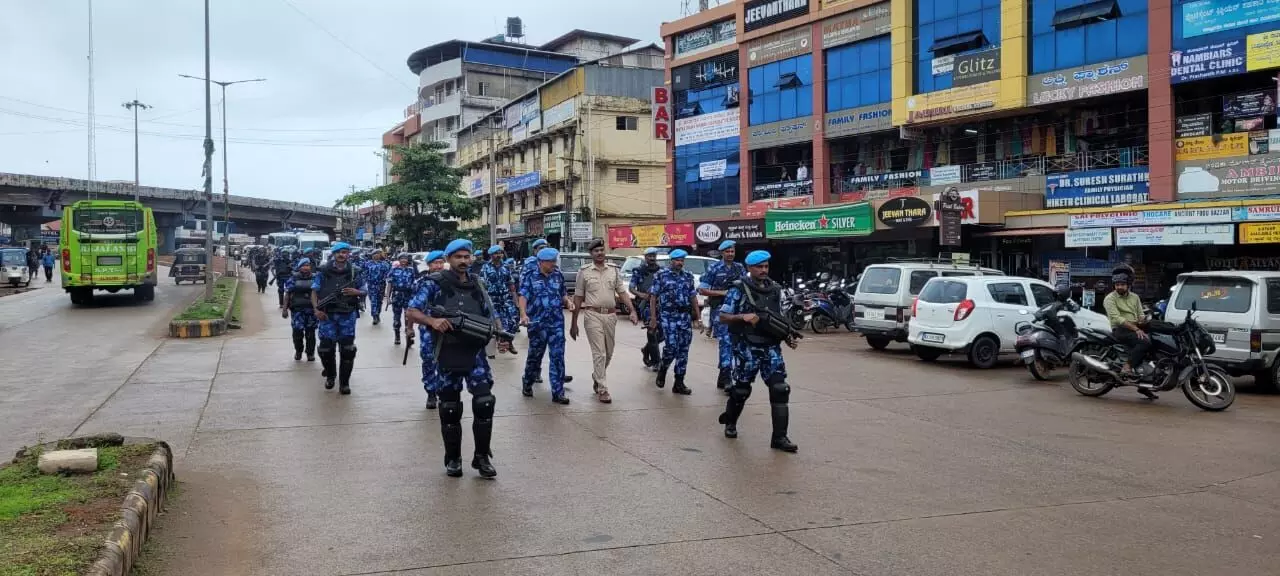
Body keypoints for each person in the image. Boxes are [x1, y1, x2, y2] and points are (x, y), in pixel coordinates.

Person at [406, 239, 500, 478]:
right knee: (449, 408)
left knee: (484, 403)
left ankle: (481, 458)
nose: (463, 261)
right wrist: (432, 321)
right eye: (458, 257)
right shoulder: (433, 283)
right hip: (447, 352)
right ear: (448, 259)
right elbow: (412, 311)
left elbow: (490, 312)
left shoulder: (478, 283)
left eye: (467, 257)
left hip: (474, 353)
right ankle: (453, 458)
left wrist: (501, 335)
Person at [716, 250, 798, 452]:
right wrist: (742, 317)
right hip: (747, 347)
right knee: (741, 390)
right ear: (749, 268)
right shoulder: (739, 289)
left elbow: (777, 318)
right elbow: (723, 316)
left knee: (780, 389)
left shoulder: (775, 289)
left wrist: (787, 336)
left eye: (766, 266)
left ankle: (779, 438)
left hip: (771, 347)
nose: (763, 270)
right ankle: (730, 423)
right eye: (759, 267)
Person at [571, 239, 638, 403]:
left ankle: (597, 375)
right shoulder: (584, 272)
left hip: (610, 316)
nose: (600, 253)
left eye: (602, 250)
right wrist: (574, 323)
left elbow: (622, 293)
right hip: (592, 315)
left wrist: (633, 311)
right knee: (599, 353)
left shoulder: (614, 270)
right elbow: (578, 297)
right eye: (596, 251)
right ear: (591, 254)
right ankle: (603, 389)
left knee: (608, 353)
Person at [519, 247, 575, 404]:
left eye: (554, 261)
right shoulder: (530, 276)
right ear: (541, 262)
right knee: (535, 356)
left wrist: (568, 302)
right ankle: (528, 381)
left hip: (556, 322)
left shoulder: (557, 275)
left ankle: (558, 392)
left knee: (557, 356)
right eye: (550, 262)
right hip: (537, 323)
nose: (553, 264)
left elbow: (562, 293)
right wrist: (523, 314)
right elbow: (523, 296)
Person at [311, 242, 366, 395]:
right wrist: (316, 310)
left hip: (347, 315)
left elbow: (364, 290)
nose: (342, 255)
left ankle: (344, 383)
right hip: (327, 315)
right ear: (334, 254)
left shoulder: (355, 271)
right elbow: (314, 292)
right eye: (339, 252)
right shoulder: (323, 271)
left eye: (345, 252)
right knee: (325, 349)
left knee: (348, 350)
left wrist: (356, 292)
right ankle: (330, 375)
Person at [649, 249, 702, 395]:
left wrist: (698, 317)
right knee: (671, 347)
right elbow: (653, 297)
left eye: (682, 260)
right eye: (677, 260)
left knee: (684, 350)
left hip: (684, 317)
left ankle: (679, 382)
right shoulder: (661, 275)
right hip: (668, 316)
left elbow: (693, 298)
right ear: (671, 261)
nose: (680, 263)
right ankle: (663, 368)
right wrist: (653, 318)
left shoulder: (688, 276)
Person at [699, 240, 747, 393]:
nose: (730, 254)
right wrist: (723, 293)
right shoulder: (714, 268)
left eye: (732, 251)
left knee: (736, 344)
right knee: (726, 342)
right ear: (722, 253)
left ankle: (723, 376)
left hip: (737, 310)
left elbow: (747, 284)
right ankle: (727, 377)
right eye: (727, 251)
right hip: (720, 310)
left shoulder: (739, 268)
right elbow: (702, 290)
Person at [1104, 269, 1156, 398]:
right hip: (1120, 329)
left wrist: (1142, 319)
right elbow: (1117, 318)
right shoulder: (1110, 299)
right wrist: (1136, 329)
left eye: (1122, 284)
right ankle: (1127, 366)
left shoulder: (1135, 297)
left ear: (1128, 285)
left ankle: (1145, 383)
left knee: (1156, 341)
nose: (1119, 287)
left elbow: (1140, 313)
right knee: (1144, 342)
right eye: (1117, 285)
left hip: (1135, 327)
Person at [481, 245, 519, 355]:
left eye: (500, 253)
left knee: (513, 321)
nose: (499, 255)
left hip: (505, 298)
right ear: (491, 255)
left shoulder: (506, 267)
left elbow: (511, 284)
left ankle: (509, 341)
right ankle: (499, 345)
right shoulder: (485, 267)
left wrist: (516, 301)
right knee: (496, 324)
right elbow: (482, 285)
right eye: (496, 253)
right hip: (492, 299)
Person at [630, 248, 664, 370]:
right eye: (649, 256)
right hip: (646, 305)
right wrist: (641, 295)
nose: (652, 258)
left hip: (661, 304)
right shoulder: (639, 271)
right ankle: (656, 361)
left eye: (653, 256)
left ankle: (646, 349)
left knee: (663, 334)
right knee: (651, 331)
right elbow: (631, 288)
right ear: (645, 257)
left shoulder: (662, 271)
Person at [283, 257, 319, 362]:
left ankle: (310, 353)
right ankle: (298, 351)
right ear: (299, 267)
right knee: (297, 333)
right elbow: (287, 294)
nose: (306, 268)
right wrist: (285, 309)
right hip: (298, 310)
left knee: (310, 333)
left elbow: (320, 293)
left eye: (307, 266)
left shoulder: (315, 278)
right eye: (303, 266)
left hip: (311, 310)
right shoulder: (294, 278)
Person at [386, 253, 417, 346]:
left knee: (408, 318)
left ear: (408, 260)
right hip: (397, 296)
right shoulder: (394, 270)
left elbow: (415, 284)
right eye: (402, 259)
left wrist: (415, 297)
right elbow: (390, 285)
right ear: (399, 260)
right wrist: (388, 297)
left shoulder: (411, 271)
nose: (404, 260)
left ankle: (408, 338)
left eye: (405, 259)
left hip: (408, 296)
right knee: (396, 318)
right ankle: (397, 336)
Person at [362, 250, 391, 326]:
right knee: (373, 301)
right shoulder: (367, 264)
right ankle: (374, 316)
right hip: (371, 285)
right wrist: (366, 280)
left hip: (381, 285)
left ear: (380, 255)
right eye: (374, 254)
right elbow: (364, 273)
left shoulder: (385, 264)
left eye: (377, 254)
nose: (375, 255)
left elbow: (388, 274)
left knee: (379, 301)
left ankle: (377, 314)